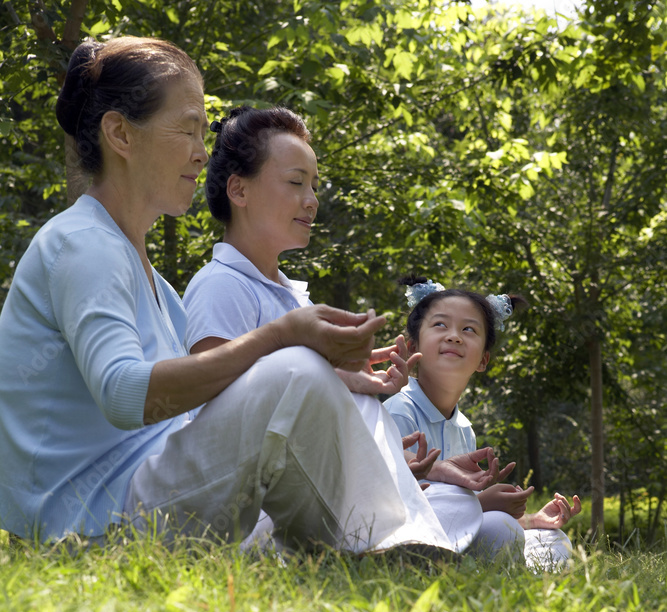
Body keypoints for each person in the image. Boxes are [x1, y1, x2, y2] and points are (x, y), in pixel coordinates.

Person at [0, 37, 447, 554]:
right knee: (295, 369)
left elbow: (197, 413)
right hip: (92, 520)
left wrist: (338, 380)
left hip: (139, 497)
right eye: (186, 129)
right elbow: (124, 395)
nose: (201, 152)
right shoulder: (80, 243)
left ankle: (395, 544)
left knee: (308, 374)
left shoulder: (154, 283)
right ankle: (381, 549)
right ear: (120, 133)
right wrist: (281, 336)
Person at [182, 105, 497, 552]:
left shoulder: (295, 297)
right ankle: (385, 538)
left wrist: (358, 380)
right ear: (239, 189)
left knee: (461, 502)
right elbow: (216, 397)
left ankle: (389, 534)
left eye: (314, 186)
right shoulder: (220, 285)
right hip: (249, 491)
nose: (311, 200)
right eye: (295, 183)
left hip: (310, 479)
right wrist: (336, 380)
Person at [384, 277, 581, 568]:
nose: (454, 336)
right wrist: (482, 504)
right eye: (440, 325)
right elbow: (389, 505)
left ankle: (515, 563)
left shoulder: (464, 429)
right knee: (502, 528)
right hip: (406, 539)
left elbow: (473, 514)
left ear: (483, 360)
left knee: (555, 540)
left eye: (469, 329)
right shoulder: (399, 411)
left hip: (457, 536)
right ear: (413, 346)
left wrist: (533, 520)